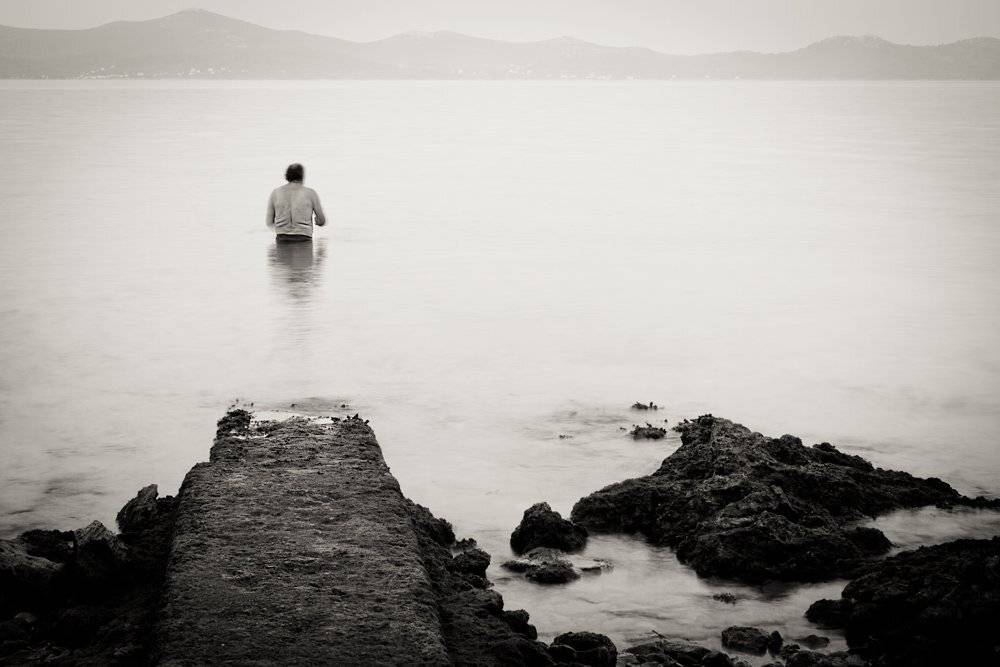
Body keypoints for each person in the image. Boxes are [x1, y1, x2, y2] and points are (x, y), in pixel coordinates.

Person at [266, 163, 326, 242]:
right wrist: (317, 221)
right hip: (304, 239)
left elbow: (269, 222)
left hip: (282, 239)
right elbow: (322, 220)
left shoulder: (276, 193)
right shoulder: (310, 193)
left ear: (287, 176)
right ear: (302, 176)